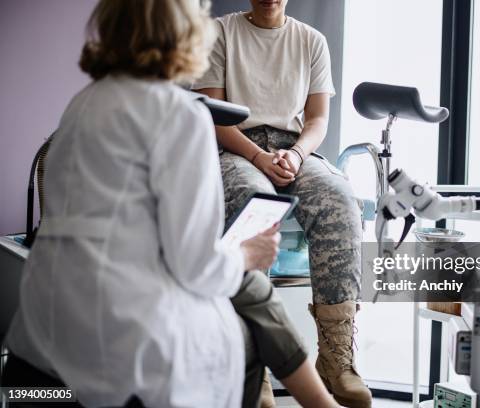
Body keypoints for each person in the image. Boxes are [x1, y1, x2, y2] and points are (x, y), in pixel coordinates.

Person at [3, 0, 338, 407]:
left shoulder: (82, 106)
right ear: (187, 30)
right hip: (114, 363)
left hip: (33, 362)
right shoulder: (179, 116)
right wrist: (248, 252)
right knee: (246, 336)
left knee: (248, 290)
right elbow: (197, 267)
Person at [193, 1, 371, 407]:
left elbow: (317, 120)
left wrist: (297, 156)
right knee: (256, 202)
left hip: (294, 150)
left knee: (340, 197)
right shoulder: (220, 33)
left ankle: (336, 358)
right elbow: (216, 117)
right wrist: (258, 157)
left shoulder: (311, 40)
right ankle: (253, 367)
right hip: (238, 150)